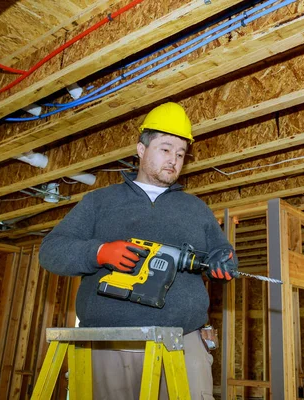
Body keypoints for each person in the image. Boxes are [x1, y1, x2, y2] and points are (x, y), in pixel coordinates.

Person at [39, 102, 238, 400]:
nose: (174, 160)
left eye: (181, 154)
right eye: (166, 149)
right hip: (109, 346)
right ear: (141, 149)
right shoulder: (99, 202)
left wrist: (224, 263)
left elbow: (223, 257)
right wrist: (100, 252)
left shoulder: (197, 210)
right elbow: (51, 251)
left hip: (182, 344)